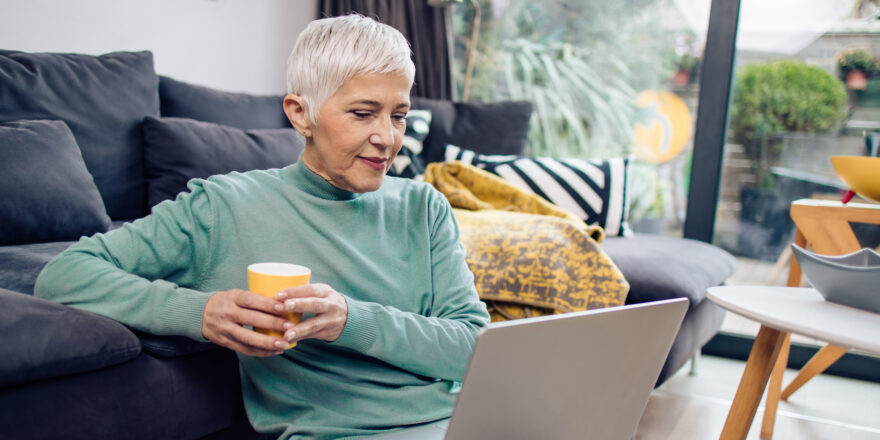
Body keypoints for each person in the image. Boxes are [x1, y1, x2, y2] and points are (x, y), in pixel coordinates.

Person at [35, 14, 489, 439]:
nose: (388, 137)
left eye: (398, 115)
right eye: (363, 113)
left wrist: (352, 320)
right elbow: (67, 273)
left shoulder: (423, 206)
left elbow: (474, 348)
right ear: (299, 114)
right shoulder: (224, 207)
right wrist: (199, 312)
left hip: (465, 422)